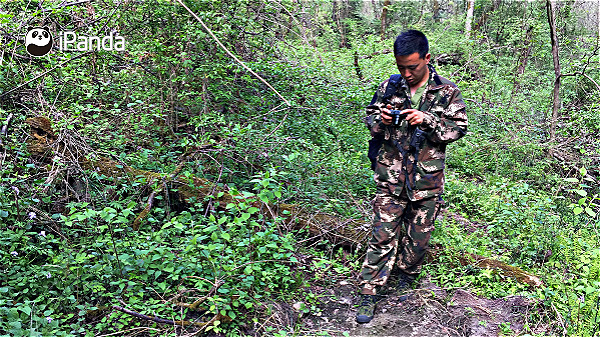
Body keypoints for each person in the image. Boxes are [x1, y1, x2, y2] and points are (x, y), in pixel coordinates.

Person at [356, 30, 468, 324]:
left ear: (427, 59)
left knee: (418, 237)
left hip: (426, 180)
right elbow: (369, 119)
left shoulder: (447, 92)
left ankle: (407, 275)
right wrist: (379, 120)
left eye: (412, 67)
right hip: (390, 176)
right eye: (400, 67)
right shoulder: (388, 86)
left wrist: (428, 121)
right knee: (382, 233)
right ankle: (370, 290)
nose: (406, 73)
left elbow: (457, 130)